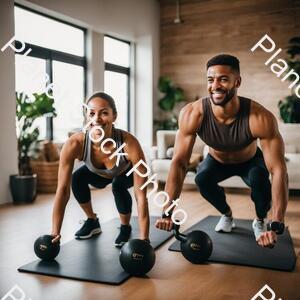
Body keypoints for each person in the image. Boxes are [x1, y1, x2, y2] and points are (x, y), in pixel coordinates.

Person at [155, 54, 288, 248]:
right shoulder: (193, 113)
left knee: (261, 180)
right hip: (216, 160)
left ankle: (260, 220)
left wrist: (276, 222)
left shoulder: (259, 117)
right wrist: (167, 210)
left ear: (237, 82)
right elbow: (179, 162)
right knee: (202, 179)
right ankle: (227, 214)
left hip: (249, 161)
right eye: (211, 79)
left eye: (223, 79)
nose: (215, 85)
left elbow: (278, 171)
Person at [51, 92, 150, 247]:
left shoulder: (129, 143)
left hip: (125, 173)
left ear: (114, 116)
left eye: (104, 113)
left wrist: (144, 239)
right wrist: (54, 233)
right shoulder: (74, 144)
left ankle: (125, 227)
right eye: (92, 113)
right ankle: (92, 221)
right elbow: (62, 190)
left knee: (118, 185)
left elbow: (141, 196)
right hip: (98, 174)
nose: (97, 118)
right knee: (77, 178)